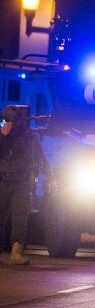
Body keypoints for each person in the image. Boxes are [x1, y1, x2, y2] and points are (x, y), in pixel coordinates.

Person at [0, 105, 50, 265]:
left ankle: (16, 252)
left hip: (22, 182)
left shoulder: (31, 137)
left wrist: (52, 178)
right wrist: (2, 135)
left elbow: (41, 158)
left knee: (20, 217)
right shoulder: (3, 134)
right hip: (3, 180)